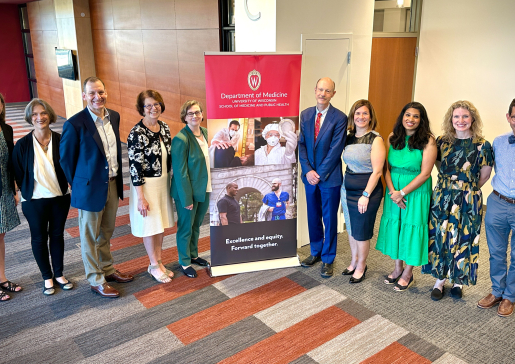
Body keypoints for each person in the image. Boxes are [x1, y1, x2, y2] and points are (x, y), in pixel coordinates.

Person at [60, 77, 133, 298]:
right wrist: (80, 184)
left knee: (107, 231)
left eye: (100, 92)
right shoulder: (74, 124)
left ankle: (108, 269)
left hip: (111, 184)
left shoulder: (114, 117)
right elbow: (66, 160)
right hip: (90, 188)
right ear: (84, 96)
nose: (97, 97)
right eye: (91, 93)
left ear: (106, 93)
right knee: (89, 235)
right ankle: (95, 278)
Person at [422, 101, 493, 300]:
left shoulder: (482, 145)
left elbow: (484, 176)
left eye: (465, 116)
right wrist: (451, 187)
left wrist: (465, 189)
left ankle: (459, 281)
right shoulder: (442, 141)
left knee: (464, 238)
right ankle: (439, 280)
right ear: (450, 119)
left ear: (472, 119)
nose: (460, 121)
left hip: (469, 198)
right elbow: (438, 166)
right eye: (456, 117)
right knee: (441, 237)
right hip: (443, 196)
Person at [12, 99, 72, 296]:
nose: (40, 117)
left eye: (43, 113)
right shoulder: (22, 145)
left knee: (57, 236)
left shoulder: (61, 139)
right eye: (35, 114)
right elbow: (18, 173)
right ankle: (47, 277)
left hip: (60, 198)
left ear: (50, 115)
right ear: (30, 118)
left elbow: (69, 166)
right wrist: (25, 190)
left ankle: (59, 274)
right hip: (34, 200)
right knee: (39, 238)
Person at [376, 102, 437, 291]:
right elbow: (386, 167)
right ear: (402, 117)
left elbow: (425, 173)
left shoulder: (428, 141)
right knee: (397, 227)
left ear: (421, 120)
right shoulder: (393, 137)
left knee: (411, 228)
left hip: (416, 192)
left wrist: (402, 193)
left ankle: (408, 273)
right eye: (407, 115)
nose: (410, 119)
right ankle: (397, 268)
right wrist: (394, 192)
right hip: (393, 190)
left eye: (416, 116)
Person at [298, 77, 348, 278]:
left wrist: (319, 173)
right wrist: (308, 170)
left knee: (329, 218)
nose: (323, 94)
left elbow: (336, 150)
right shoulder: (306, 114)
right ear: (315, 90)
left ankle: (328, 258)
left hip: (330, 178)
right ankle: (315, 251)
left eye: (327, 91)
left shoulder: (340, 117)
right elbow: (301, 145)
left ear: (333, 94)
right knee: (313, 216)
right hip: (309, 177)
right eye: (320, 89)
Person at [127, 90, 174, 284]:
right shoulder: (136, 133)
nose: (153, 108)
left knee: (160, 224)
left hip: (163, 182)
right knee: (149, 226)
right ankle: (153, 264)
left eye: (156, 104)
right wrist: (141, 197)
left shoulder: (164, 127)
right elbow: (134, 167)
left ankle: (159, 261)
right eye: (148, 105)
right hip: (146, 186)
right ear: (142, 109)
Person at [340, 100, 385, 284]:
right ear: (353, 116)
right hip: (347, 188)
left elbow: (378, 171)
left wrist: (365, 195)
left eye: (365, 113)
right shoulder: (348, 137)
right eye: (357, 113)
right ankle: (354, 261)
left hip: (367, 191)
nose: (361, 117)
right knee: (350, 228)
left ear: (371, 117)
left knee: (361, 231)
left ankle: (361, 266)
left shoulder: (376, 139)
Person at [478, 98, 515, 316]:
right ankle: (497, 291)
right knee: (496, 252)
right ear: (509, 118)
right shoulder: (499, 142)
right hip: (498, 202)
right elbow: (487, 170)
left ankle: (510, 295)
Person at [171, 100, 211, 278]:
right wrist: (186, 198)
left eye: (197, 112)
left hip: (205, 188)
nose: (194, 116)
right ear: (184, 117)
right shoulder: (181, 139)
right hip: (187, 192)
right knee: (186, 227)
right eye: (190, 114)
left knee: (197, 225)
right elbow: (180, 173)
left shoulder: (206, 133)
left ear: (202, 114)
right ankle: (184, 261)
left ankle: (194, 254)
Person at [0, 93, 21, 301]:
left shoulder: (6, 129)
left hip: (4, 187)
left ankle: (2, 278)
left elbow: (11, 162)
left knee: (1, 235)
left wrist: (14, 189)